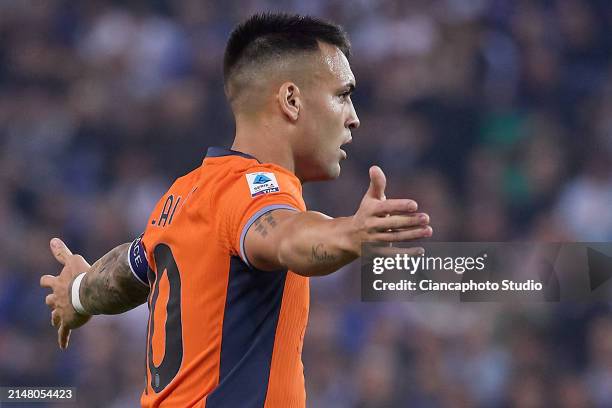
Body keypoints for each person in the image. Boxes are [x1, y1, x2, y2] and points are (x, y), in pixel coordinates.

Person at [40, 13, 432, 408]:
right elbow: (286, 237)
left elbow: (130, 269)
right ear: (291, 100)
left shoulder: (184, 195)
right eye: (342, 95)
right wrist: (350, 234)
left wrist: (77, 294)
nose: (354, 117)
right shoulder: (256, 189)